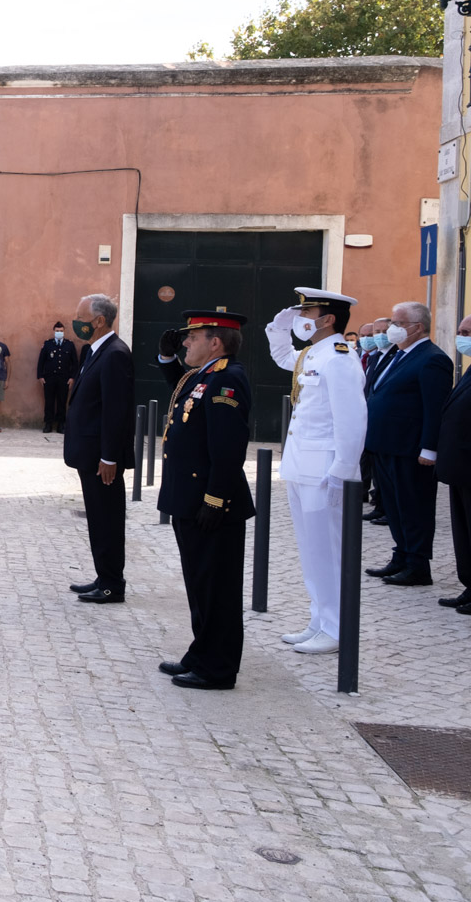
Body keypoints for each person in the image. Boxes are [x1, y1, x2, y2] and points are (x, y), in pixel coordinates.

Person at [154, 308, 255, 690]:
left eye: (191, 339)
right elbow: (184, 394)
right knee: (200, 583)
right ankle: (201, 654)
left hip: (211, 504)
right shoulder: (204, 376)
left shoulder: (229, 379)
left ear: (215, 342)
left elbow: (228, 449)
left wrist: (215, 500)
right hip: (191, 499)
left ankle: (218, 668)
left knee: (218, 588)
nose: (185, 343)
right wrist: (167, 359)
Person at [264, 289, 365, 655]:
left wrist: (342, 472)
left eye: (309, 312)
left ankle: (336, 629)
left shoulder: (340, 358)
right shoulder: (313, 353)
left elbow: (352, 420)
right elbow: (282, 358)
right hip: (302, 465)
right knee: (311, 551)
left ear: (329, 320)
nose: (303, 318)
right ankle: (319, 620)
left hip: (324, 470)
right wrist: (279, 327)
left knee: (329, 551)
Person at [364, 301, 452, 587]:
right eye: (393, 322)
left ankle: (417, 564)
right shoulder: (395, 355)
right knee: (394, 505)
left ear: (418, 327)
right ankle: (400, 555)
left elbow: (434, 407)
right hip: (385, 444)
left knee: (414, 507)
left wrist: (430, 448)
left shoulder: (432, 358)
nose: (392, 329)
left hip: (411, 449)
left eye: (399, 324)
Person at [64, 293, 133, 603]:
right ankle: (103, 576)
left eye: (81, 319)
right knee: (97, 517)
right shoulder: (92, 351)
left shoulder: (116, 353)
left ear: (100, 321)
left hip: (101, 459)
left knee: (107, 518)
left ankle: (112, 585)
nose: (76, 323)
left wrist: (109, 456)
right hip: (88, 454)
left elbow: (116, 411)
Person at [432, 315, 471, 613]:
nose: (462, 338)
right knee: (464, 532)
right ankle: (469, 586)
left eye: (467, 332)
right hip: (461, 469)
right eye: (460, 332)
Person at [358, 318, 393, 525]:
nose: (377, 336)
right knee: (374, 467)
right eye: (374, 332)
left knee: (384, 472)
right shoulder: (375, 358)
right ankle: (379, 505)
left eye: (381, 332)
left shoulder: (394, 356)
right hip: (369, 418)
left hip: (386, 425)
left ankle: (385, 507)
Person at [36, 322, 77, 435]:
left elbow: (75, 363)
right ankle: (48, 424)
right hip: (49, 378)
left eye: (61, 331)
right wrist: (40, 376)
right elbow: (41, 361)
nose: (59, 332)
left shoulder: (69, 345)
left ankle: (61, 424)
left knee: (62, 401)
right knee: (49, 401)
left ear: (64, 331)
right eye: (57, 331)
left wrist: (72, 378)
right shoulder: (48, 344)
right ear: (54, 331)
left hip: (64, 378)